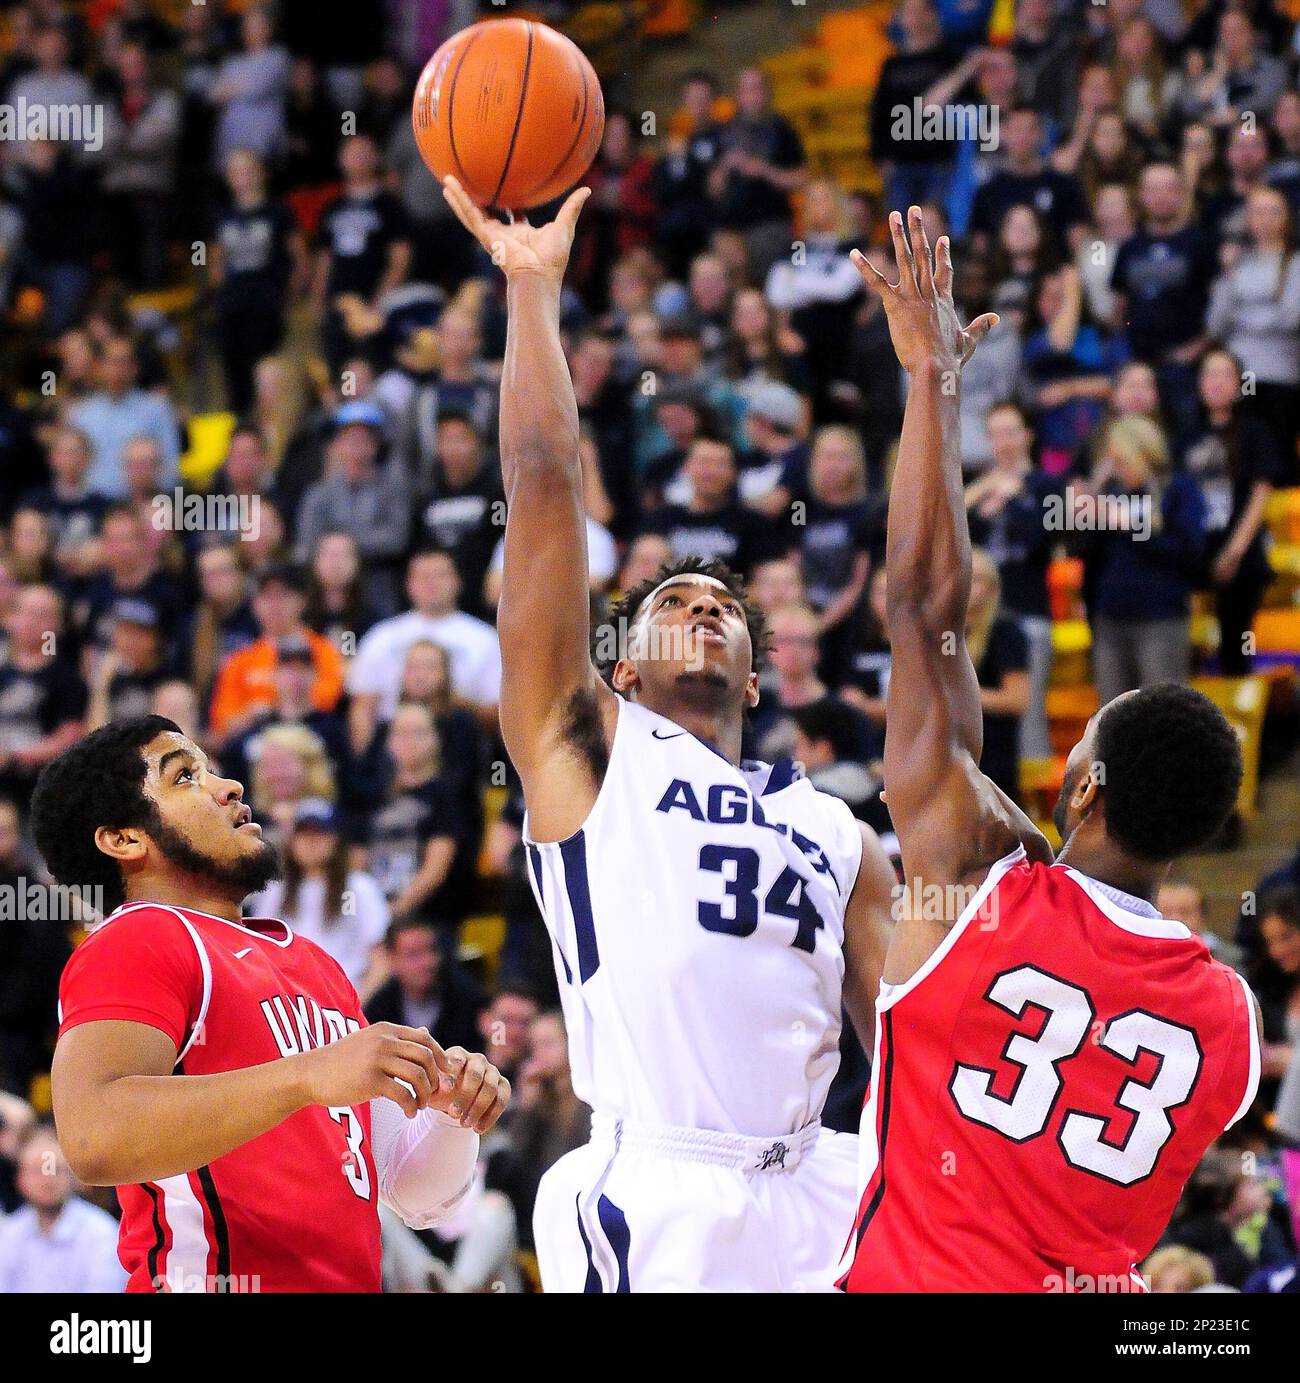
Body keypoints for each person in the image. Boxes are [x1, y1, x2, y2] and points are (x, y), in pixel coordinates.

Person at [439, 174, 896, 1292]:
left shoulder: (839, 829)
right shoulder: (588, 751)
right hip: (660, 1182)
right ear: (623, 668)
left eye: (725, 608)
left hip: (822, 1184)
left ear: (754, 673)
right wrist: (532, 292)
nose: (704, 609)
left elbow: (905, 1043)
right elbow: (542, 482)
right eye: (672, 603)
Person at [838, 206, 1257, 1294]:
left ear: (1081, 788)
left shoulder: (974, 876)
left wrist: (930, 383)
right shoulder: (1230, 1020)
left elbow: (925, 612)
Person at [32, 715, 509, 1293]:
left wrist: (453, 1114)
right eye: (183, 777)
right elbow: (93, 1140)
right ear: (125, 839)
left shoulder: (316, 964)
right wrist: (306, 1076)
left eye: (210, 769)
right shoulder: (140, 938)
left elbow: (412, 1193)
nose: (227, 786)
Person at [0, 1124, 126, 1293]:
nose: (47, 1181)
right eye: (38, 1171)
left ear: (73, 1178)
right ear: (20, 1179)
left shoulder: (102, 1233)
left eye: (57, 1171)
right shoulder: (8, 1233)